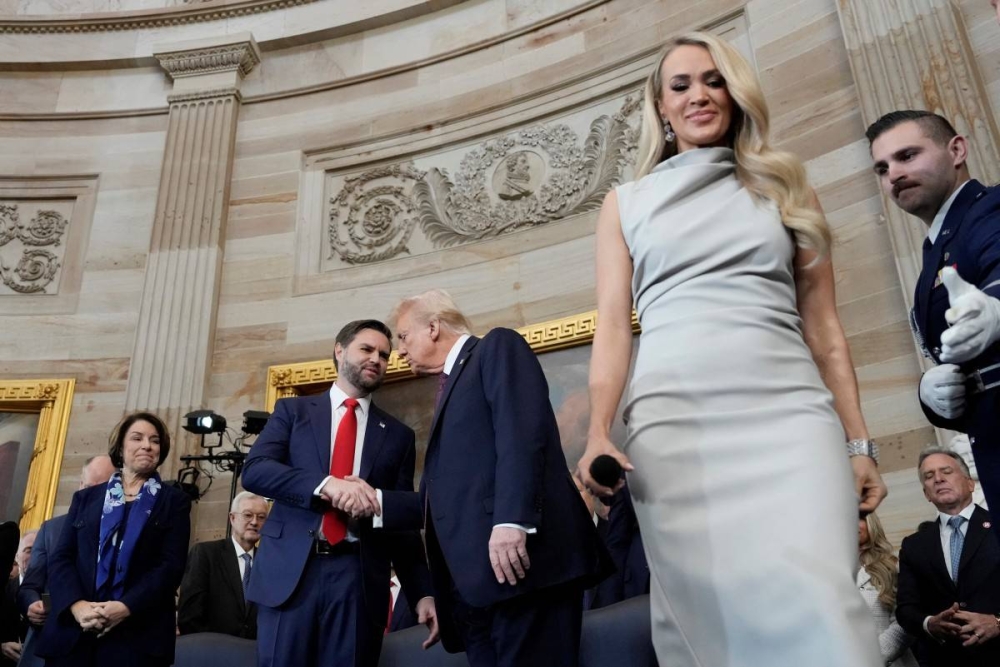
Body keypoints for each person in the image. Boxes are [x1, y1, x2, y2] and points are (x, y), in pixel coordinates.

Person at [575, 32, 886, 667]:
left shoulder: (786, 184)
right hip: (675, 425)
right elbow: (612, 325)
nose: (699, 96)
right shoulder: (625, 204)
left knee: (824, 602)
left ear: (736, 93)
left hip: (790, 414)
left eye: (714, 80)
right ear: (660, 106)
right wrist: (599, 429)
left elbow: (825, 329)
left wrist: (859, 445)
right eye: (681, 85)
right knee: (714, 624)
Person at [377, 289, 612, 667]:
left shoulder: (496, 348)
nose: (400, 351)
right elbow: (453, 492)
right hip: (479, 589)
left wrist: (511, 519)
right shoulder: (452, 384)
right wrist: (376, 501)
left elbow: (522, 434)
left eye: (402, 337)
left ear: (433, 327)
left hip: (523, 572)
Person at [241, 319, 436, 667]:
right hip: (291, 575)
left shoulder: (397, 435)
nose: (377, 359)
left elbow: (401, 523)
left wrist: (421, 591)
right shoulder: (293, 411)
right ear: (340, 350)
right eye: (367, 349)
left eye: (385, 355)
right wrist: (325, 484)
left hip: (357, 578)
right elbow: (255, 471)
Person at [867, 110, 1000, 543]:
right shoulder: (935, 252)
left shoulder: (990, 210)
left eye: (907, 155)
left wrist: (996, 310)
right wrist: (931, 394)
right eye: (883, 168)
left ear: (956, 150)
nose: (894, 175)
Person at [35, 412, 191, 667]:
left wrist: (125, 606)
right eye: (137, 438)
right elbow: (62, 557)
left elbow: (170, 566)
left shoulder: (175, 501)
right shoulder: (86, 499)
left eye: (154, 440)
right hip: (75, 634)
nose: (147, 445)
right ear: (120, 446)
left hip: (137, 636)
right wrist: (77, 606)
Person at [896, 447, 1000, 666]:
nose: (938, 479)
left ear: (970, 483)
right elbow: (906, 609)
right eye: (929, 476)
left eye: (946, 471)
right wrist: (929, 623)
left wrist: (998, 621)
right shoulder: (914, 546)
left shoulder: (997, 528)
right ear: (926, 494)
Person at [18, 455, 116, 667]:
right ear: (80, 485)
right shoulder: (51, 530)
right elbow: (29, 586)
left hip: (111, 644)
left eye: (102, 490)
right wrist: (31, 605)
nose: (93, 497)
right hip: (60, 646)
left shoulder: (127, 528)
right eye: (89, 487)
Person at [177, 491, 269, 639]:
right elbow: (189, 614)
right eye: (247, 515)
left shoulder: (269, 562)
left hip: (254, 655)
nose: (254, 522)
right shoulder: (206, 554)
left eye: (261, 517)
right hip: (213, 652)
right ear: (232, 518)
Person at [858, 513, 918, 666]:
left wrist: (869, 659)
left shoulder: (892, 566)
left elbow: (906, 622)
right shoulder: (821, 571)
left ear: (871, 524)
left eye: (859, 518)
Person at [1, 530, 35, 666]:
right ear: (17, 556)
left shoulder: (58, 592)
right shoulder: (3, 590)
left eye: (40, 550)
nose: (35, 555)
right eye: (29, 550)